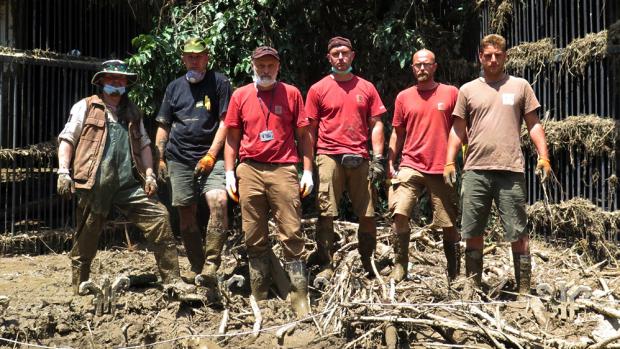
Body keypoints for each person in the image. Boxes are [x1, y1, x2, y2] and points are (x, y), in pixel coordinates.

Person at [57, 60, 192, 295]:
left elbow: (145, 144)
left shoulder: (132, 112)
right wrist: (63, 171)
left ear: (126, 85)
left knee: (159, 216)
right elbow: (67, 138)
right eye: (111, 79)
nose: (117, 84)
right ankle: (80, 284)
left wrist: (149, 175)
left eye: (121, 80)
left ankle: (172, 279)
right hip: (94, 183)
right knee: (87, 232)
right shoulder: (86, 106)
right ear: (101, 82)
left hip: (128, 183)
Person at [444, 34, 551, 297]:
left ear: (505, 56)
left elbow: (534, 123)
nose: (493, 60)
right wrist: (449, 160)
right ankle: (473, 285)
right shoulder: (468, 90)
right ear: (480, 57)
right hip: (476, 170)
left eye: (498, 55)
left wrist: (544, 156)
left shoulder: (520, 86)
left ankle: (523, 290)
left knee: (518, 231)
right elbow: (457, 130)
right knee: (472, 229)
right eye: (488, 55)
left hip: (510, 170)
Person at [224, 46, 314, 317]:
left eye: (270, 66)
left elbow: (304, 136)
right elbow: (232, 138)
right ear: (252, 65)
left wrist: (307, 171)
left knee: (291, 230)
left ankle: (299, 295)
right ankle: (259, 294)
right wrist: (230, 172)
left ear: (278, 67)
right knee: (254, 233)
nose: (265, 70)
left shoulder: (292, 94)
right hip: (249, 169)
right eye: (260, 65)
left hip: (284, 168)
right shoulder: (240, 95)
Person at [305, 36, 386, 280]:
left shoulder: (366, 87)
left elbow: (376, 124)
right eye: (336, 54)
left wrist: (378, 158)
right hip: (329, 155)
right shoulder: (318, 89)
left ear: (353, 55)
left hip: (360, 156)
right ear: (329, 57)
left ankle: (368, 262)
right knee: (326, 212)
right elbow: (310, 129)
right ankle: (326, 264)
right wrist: (309, 166)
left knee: (368, 214)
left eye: (345, 53)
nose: (341, 58)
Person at [155, 38, 232, 290]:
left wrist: (211, 154)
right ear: (183, 59)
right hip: (178, 158)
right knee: (185, 215)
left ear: (207, 57)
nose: (194, 60)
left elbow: (225, 122)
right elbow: (163, 124)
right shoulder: (174, 87)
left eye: (199, 56)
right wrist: (160, 158)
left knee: (218, 201)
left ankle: (212, 263)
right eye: (190, 56)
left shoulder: (219, 82)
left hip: (212, 156)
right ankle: (199, 270)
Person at [388, 49, 461, 283]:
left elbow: (461, 130)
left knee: (447, 223)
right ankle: (400, 266)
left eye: (426, 64)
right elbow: (397, 133)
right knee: (400, 213)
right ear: (412, 68)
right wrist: (391, 161)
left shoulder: (450, 93)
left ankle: (454, 271)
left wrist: (463, 159)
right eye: (417, 65)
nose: (421, 68)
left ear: (434, 66)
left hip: (442, 167)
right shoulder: (404, 97)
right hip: (411, 164)